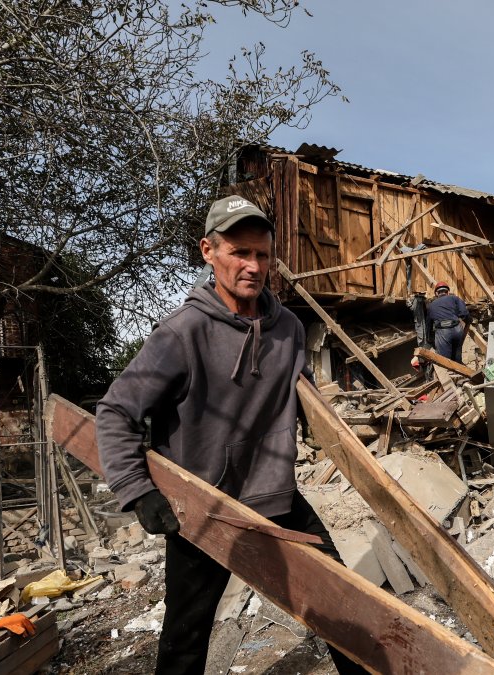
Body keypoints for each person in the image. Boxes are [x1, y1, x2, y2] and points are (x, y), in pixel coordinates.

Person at [95, 195, 363, 675]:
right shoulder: (182, 334)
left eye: (262, 255)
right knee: (186, 636)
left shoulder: (289, 331)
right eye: (240, 252)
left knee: (342, 606)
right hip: (202, 507)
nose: (253, 265)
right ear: (208, 251)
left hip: (275, 498)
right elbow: (115, 412)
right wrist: (137, 491)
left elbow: (301, 397)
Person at [427, 280, 469, 362]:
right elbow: (464, 313)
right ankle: (460, 372)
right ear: (448, 292)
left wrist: (429, 339)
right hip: (457, 329)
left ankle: (448, 372)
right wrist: (468, 320)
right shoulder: (455, 298)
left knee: (444, 361)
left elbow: (428, 324)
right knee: (457, 357)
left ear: (436, 293)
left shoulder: (431, 305)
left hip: (443, 332)